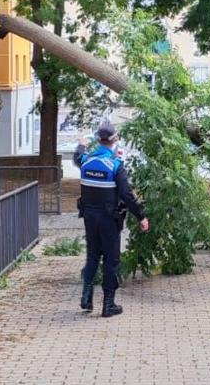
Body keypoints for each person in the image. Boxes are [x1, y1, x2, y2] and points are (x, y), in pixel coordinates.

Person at [74, 122, 149, 317]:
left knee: (92, 256)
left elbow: (77, 156)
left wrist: (82, 144)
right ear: (114, 140)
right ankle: (108, 305)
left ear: (99, 140)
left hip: (89, 217)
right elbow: (127, 195)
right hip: (109, 220)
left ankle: (86, 297)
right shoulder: (115, 166)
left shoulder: (86, 161)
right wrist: (141, 216)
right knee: (111, 260)